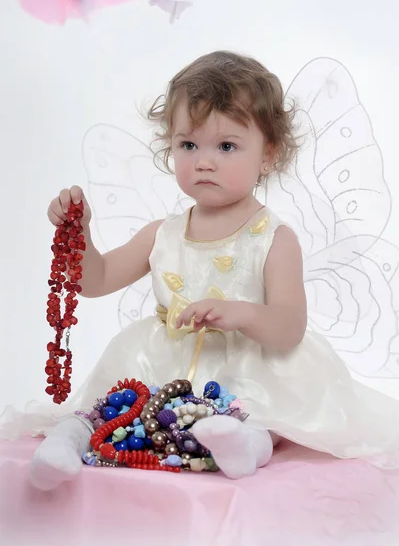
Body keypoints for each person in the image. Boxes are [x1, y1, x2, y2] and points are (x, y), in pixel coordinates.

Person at [5, 51, 399, 491]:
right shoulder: (163, 234)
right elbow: (95, 281)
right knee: (109, 407)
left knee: (259, 413)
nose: (204, 161)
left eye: (226, 146)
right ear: (170, 145)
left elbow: (289, 326)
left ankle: (242, 445)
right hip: (162, 360)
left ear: (267, 155)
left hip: (247, 365)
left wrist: (242, 313)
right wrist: (80, 234)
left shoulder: (273, 237)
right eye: (188, 145)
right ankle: (64, 445)